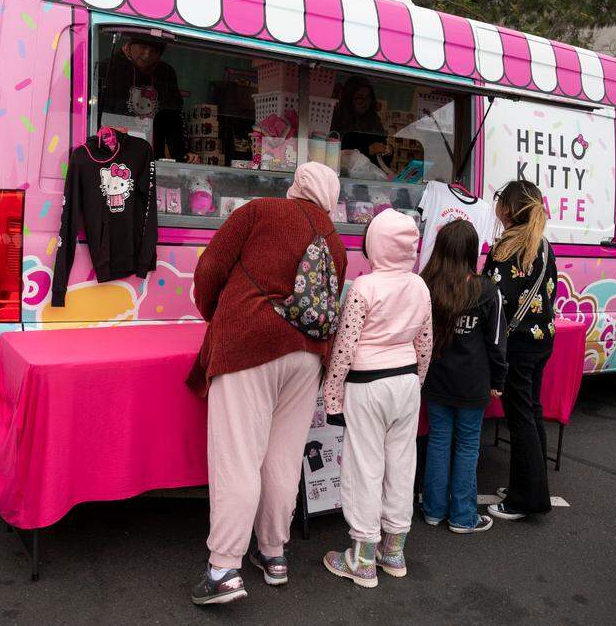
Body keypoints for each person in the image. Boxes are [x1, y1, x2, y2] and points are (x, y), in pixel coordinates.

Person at [187, 162, 347, 605]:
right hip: (307, 355)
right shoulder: (334, 241)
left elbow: (210, 270)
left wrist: (219, 314)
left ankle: (223, 568)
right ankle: (274, 553)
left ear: (297, 186)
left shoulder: (260, 211)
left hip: (248, 347)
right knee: (283, 457)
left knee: (238, 456)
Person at [319, 209, 432, 588]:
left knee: (364, 466)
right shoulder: (420, 286)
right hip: (405, 384)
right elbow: (425, 344)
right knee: (402, 465)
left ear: (374, 245)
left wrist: (332, 396)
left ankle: (363, 558)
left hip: (367, 385)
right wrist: (417, 381)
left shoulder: (364, 287)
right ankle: (394, 551)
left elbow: (345, 347)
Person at [421, 219, 508, 534]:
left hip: (435, 379)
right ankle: (462, 516)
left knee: (439, 440)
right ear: (472, 251)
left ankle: (433, 510)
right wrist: (499, 381)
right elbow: (497, 343)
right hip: (472, 382)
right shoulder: (486, 289)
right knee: (468, 444)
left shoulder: (426, 284)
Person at [483, 179, 557, 521]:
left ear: (509, 210)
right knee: (532, 411)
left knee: (521, 417)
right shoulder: (541, 244)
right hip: (541, 338)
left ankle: (525, 499)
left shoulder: (507, 248)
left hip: (517, 344)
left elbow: (494, 300)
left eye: (499, 200)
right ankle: (530, 486)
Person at [97, 36, 198, 163]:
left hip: (150, 159)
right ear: (129, 44)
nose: (146, 55)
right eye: (143, 47)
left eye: (154, 51)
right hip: (111, 154)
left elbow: (173, 117)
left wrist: (182, 152)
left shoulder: (166, 73)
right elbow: (96, 113)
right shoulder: (108, 68)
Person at [333, 75, 387, 162]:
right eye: (359, 98)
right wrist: (368, 150)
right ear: (349, 99)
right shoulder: (339, 119)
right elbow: (337, 155)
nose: (364, 102)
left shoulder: (374, 120)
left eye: (368, 97)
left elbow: (383, 148)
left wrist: (388, 150)